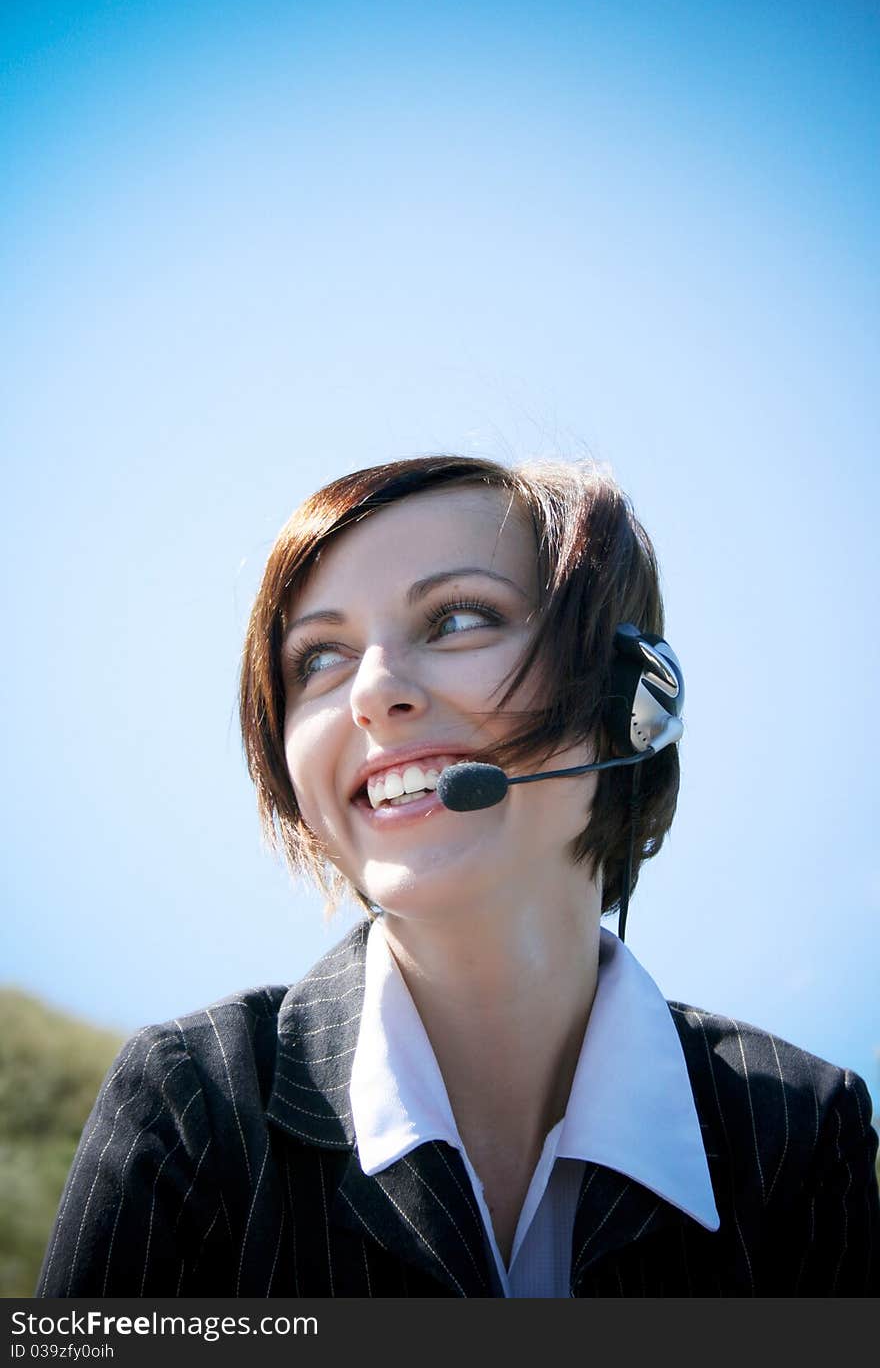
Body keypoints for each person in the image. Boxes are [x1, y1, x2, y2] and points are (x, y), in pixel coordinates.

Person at [38, 455, 879, 1297]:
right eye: (318, 658)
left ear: (632, 699)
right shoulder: (195, 1102)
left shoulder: (798, 1129)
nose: (371, 693)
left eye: (458, 619)